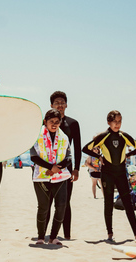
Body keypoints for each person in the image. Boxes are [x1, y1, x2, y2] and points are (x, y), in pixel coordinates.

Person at [82, 110, 136, 241]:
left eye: (119, 121)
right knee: (108, 203)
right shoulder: (103, 136)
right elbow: (85, 148)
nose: (117, 124)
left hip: (121, 173)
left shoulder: (124, 136)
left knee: (128, 203)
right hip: (108, 173)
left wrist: (128, 155)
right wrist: (99, 156)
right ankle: (110, 233)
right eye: (115, 121)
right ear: (109, 122)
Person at [31, 109, 72, 245]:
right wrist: (50, 168)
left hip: (59, 177)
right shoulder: (36, 135)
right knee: (43, 207)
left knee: (61, 206)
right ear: (45, 122)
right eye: (51, 122)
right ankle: (41, 237)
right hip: (41, 176)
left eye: (57, 122)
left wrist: (55, 169)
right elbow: (34, 156)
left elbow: (68, 158)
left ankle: (54, 237)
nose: (54, 124)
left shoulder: (64, 137)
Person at [46, 91, 81, 240]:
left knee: (65, 202)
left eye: (62, 102)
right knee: (46, 202)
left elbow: (77, 148)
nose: (59, 105)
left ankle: (67, 235)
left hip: (66, 167)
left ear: (66, 105)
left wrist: (77, 168)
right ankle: (43, 233)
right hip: (47, 168)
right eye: (56, 103)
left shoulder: (72, 123)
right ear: (51, 105)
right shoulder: (44, 123)